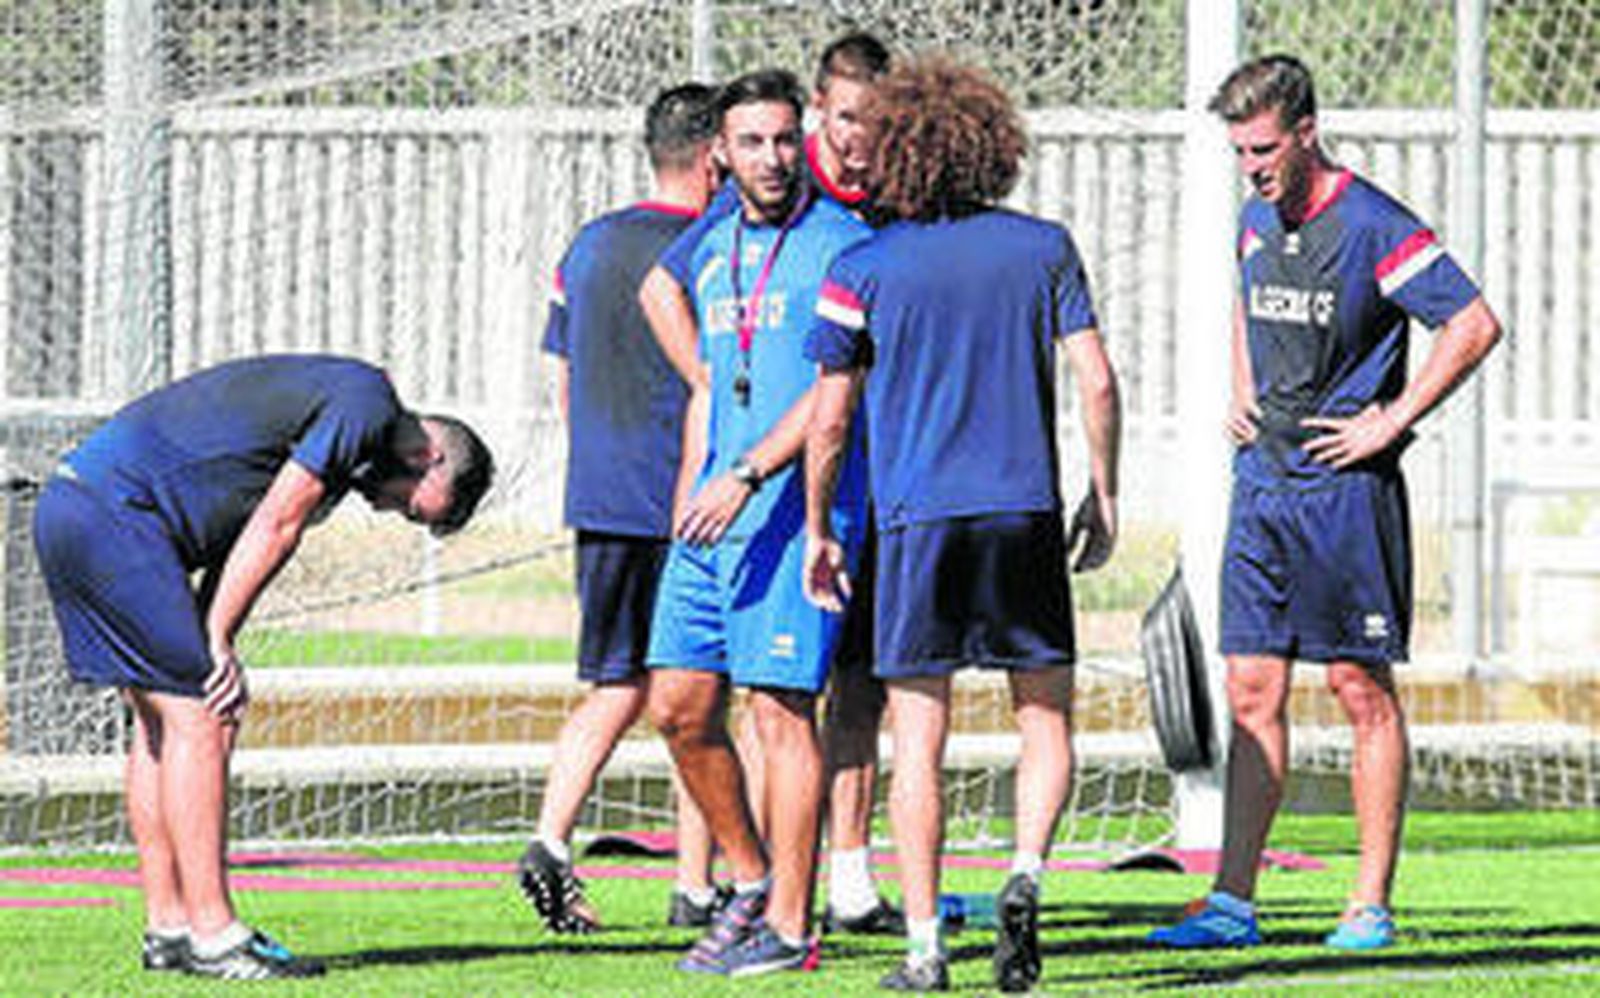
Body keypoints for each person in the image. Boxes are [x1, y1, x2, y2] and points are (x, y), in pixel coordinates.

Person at [1147, 54, 1502, 952]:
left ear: (1306, 131)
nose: (1253, 168)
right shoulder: (1253, 217)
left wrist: (1393, 418)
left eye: (1264, 150)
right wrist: (1241, 382)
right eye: (1240, 153)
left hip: (1345, 492)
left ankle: (1368, 903)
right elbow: (1244, 297)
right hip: (1262, 485)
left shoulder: (1375, 223)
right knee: (1250, 685)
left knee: (1356, 686)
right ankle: (1231, 900)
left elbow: (1472, 323)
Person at [803, 57, 1121, 993]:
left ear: (895, 151)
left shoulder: (859, 265)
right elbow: (1097, 378)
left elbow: (829, 419)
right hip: (1022, 513)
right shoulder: (1044, 248)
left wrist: (822, 525)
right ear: (992, 145)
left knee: (918, 740)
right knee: (1045, 716)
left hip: (915, 525)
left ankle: (924, 950)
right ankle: (1025, 875)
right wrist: (1103, 491)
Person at [33, 355, 494, 980]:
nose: (393, 512)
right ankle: (216, 935)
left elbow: (249, 536)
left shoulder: (340, 447)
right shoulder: (366, 402)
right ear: (431, 458)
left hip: (75, 506)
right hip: (117, 514)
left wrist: (212, 634)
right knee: (205, 716)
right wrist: (216, 639)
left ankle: (169, 928)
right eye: (415, 507)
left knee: (160, 721)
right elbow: (276, 526)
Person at [640, 29, 906, 939]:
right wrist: (703, 438)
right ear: (720, 151)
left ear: (806, 142)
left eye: (785, 139)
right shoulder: (713, 245)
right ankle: (750, 876)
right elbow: (673, 313)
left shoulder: (846, 244)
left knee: (782, 709)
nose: (772, 157)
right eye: (752, 142)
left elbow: (836, 391)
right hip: (712, 512)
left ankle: (790, 924)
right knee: (675, 707)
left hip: (794, 515)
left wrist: (752, 471)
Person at [515, 84, 729, 935]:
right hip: (688, 501)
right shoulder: (717, 244)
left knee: (617, 683)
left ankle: (554, 838)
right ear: (716, 155)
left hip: (602, 498)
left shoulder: (591, 243)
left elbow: (562, 376)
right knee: (697, 694)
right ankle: (696, 884)